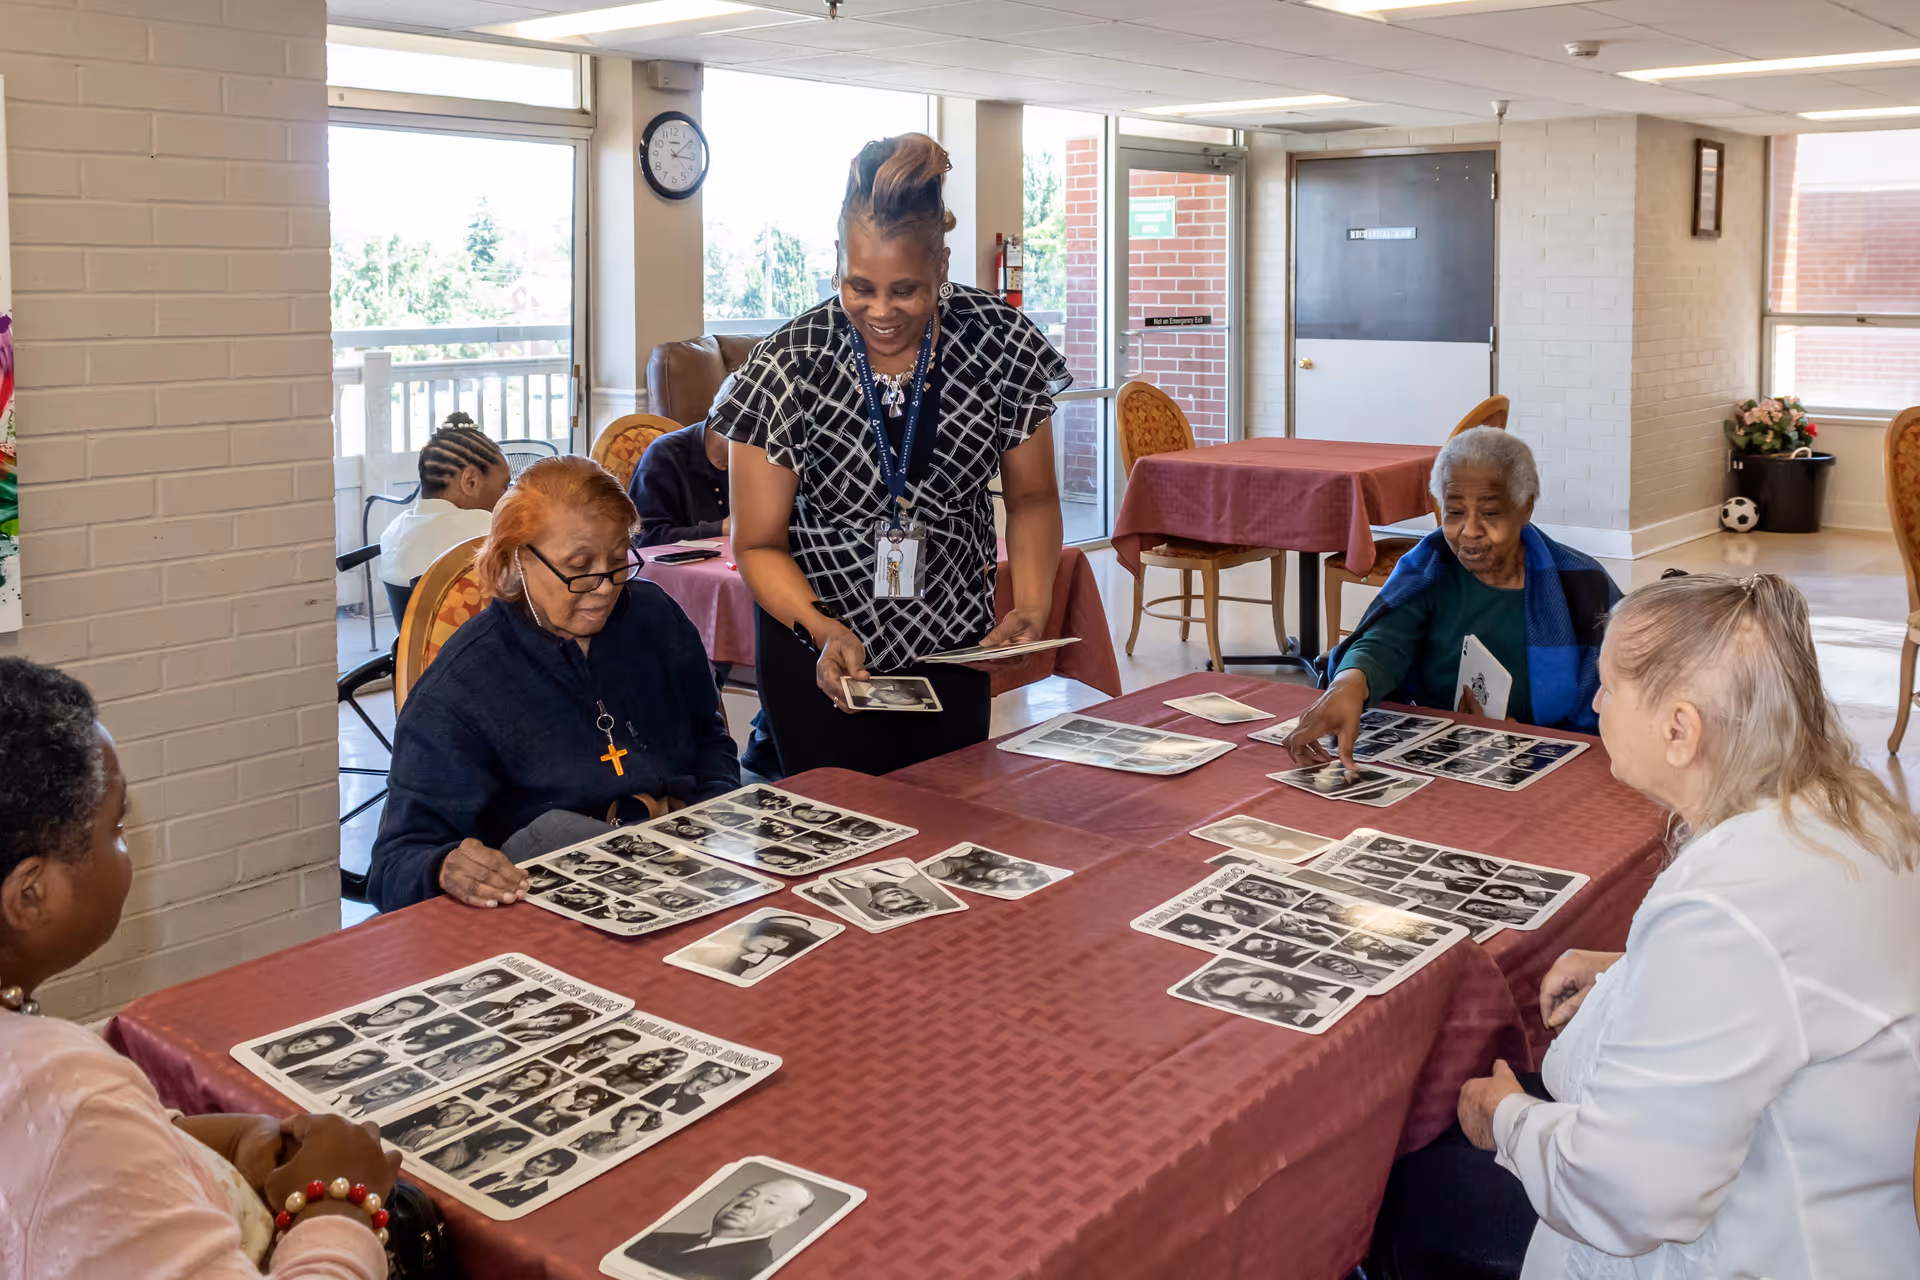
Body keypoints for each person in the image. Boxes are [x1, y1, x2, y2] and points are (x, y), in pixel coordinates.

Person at [1371, 574, 1920, 1280]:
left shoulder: (1723, 908)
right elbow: (1790, 983)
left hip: (1759, 1245)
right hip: (1850, 1214)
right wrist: (1627, 970)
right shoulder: (1857, 814)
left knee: (1409, 1189)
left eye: (1607, 686)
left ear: (1679, 729)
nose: (1595, 703)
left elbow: (1625, 1199)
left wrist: (1505, 1118)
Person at [0, 657, 397, 1280]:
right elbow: (70, 1137)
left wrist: (217, 1142)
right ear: (30, 896)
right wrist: (340, 1202)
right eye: (117, 828)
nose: (128, 846)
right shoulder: (68, 1094)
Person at [715, 132, 1069, 776]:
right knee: (837, 834)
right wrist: (822, 629)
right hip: (820, 648)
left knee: (953, 814)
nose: (881, 312)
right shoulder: (791, 362)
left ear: (941, 264)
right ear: (836, 263)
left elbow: (1034, 496)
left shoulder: (1000, 344)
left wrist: (1034, 602)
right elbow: (757, 543)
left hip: (955, 644)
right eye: (860, 286)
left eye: (905, 289)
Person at [369, 456, 741, 911]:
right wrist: (445, 868)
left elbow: (711, 739)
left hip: (683, 865)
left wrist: (707, 815)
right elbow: (392, 866)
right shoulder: (462, 686)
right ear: (515, 560)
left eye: (617, 561)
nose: (605, 587)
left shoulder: (654, 617)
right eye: (579, 567)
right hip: (547, 901)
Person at [1286, 429, 1621, 773]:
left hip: (1559, 770)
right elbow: (1384, 641)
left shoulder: (1581, 584)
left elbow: (1623, 705)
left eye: (1491, 514)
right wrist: (1349, 683)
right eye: (1455, 512)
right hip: (1442, 755)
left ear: (1525, 508)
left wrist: (1521, 740)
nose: (1470, 530)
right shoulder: (1431, 566)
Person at [378, 419, 510, 617]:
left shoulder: (393, 529)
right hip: (475, 646)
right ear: (470, 481)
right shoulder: (482, 528)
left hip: (410, 647)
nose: (507, 496)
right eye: (504, 487)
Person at [625, 1176, 817, 1280]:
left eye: (770, 1203)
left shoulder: (749, 1272)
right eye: (748, 1195)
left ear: (785, 1221)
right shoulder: (657, 1237)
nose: (747, 1204)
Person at [629, 418, 731, 548]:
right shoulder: (663, 455)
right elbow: (644, 537)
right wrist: (719, 529)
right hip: (667, 567)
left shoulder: (754, 463)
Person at [570, 1102, 664, 1157]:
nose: (623, 1122)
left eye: (634, 1118)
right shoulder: (593, 1134)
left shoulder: (637, 1147)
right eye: (620, 1117)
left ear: (646, 1122)